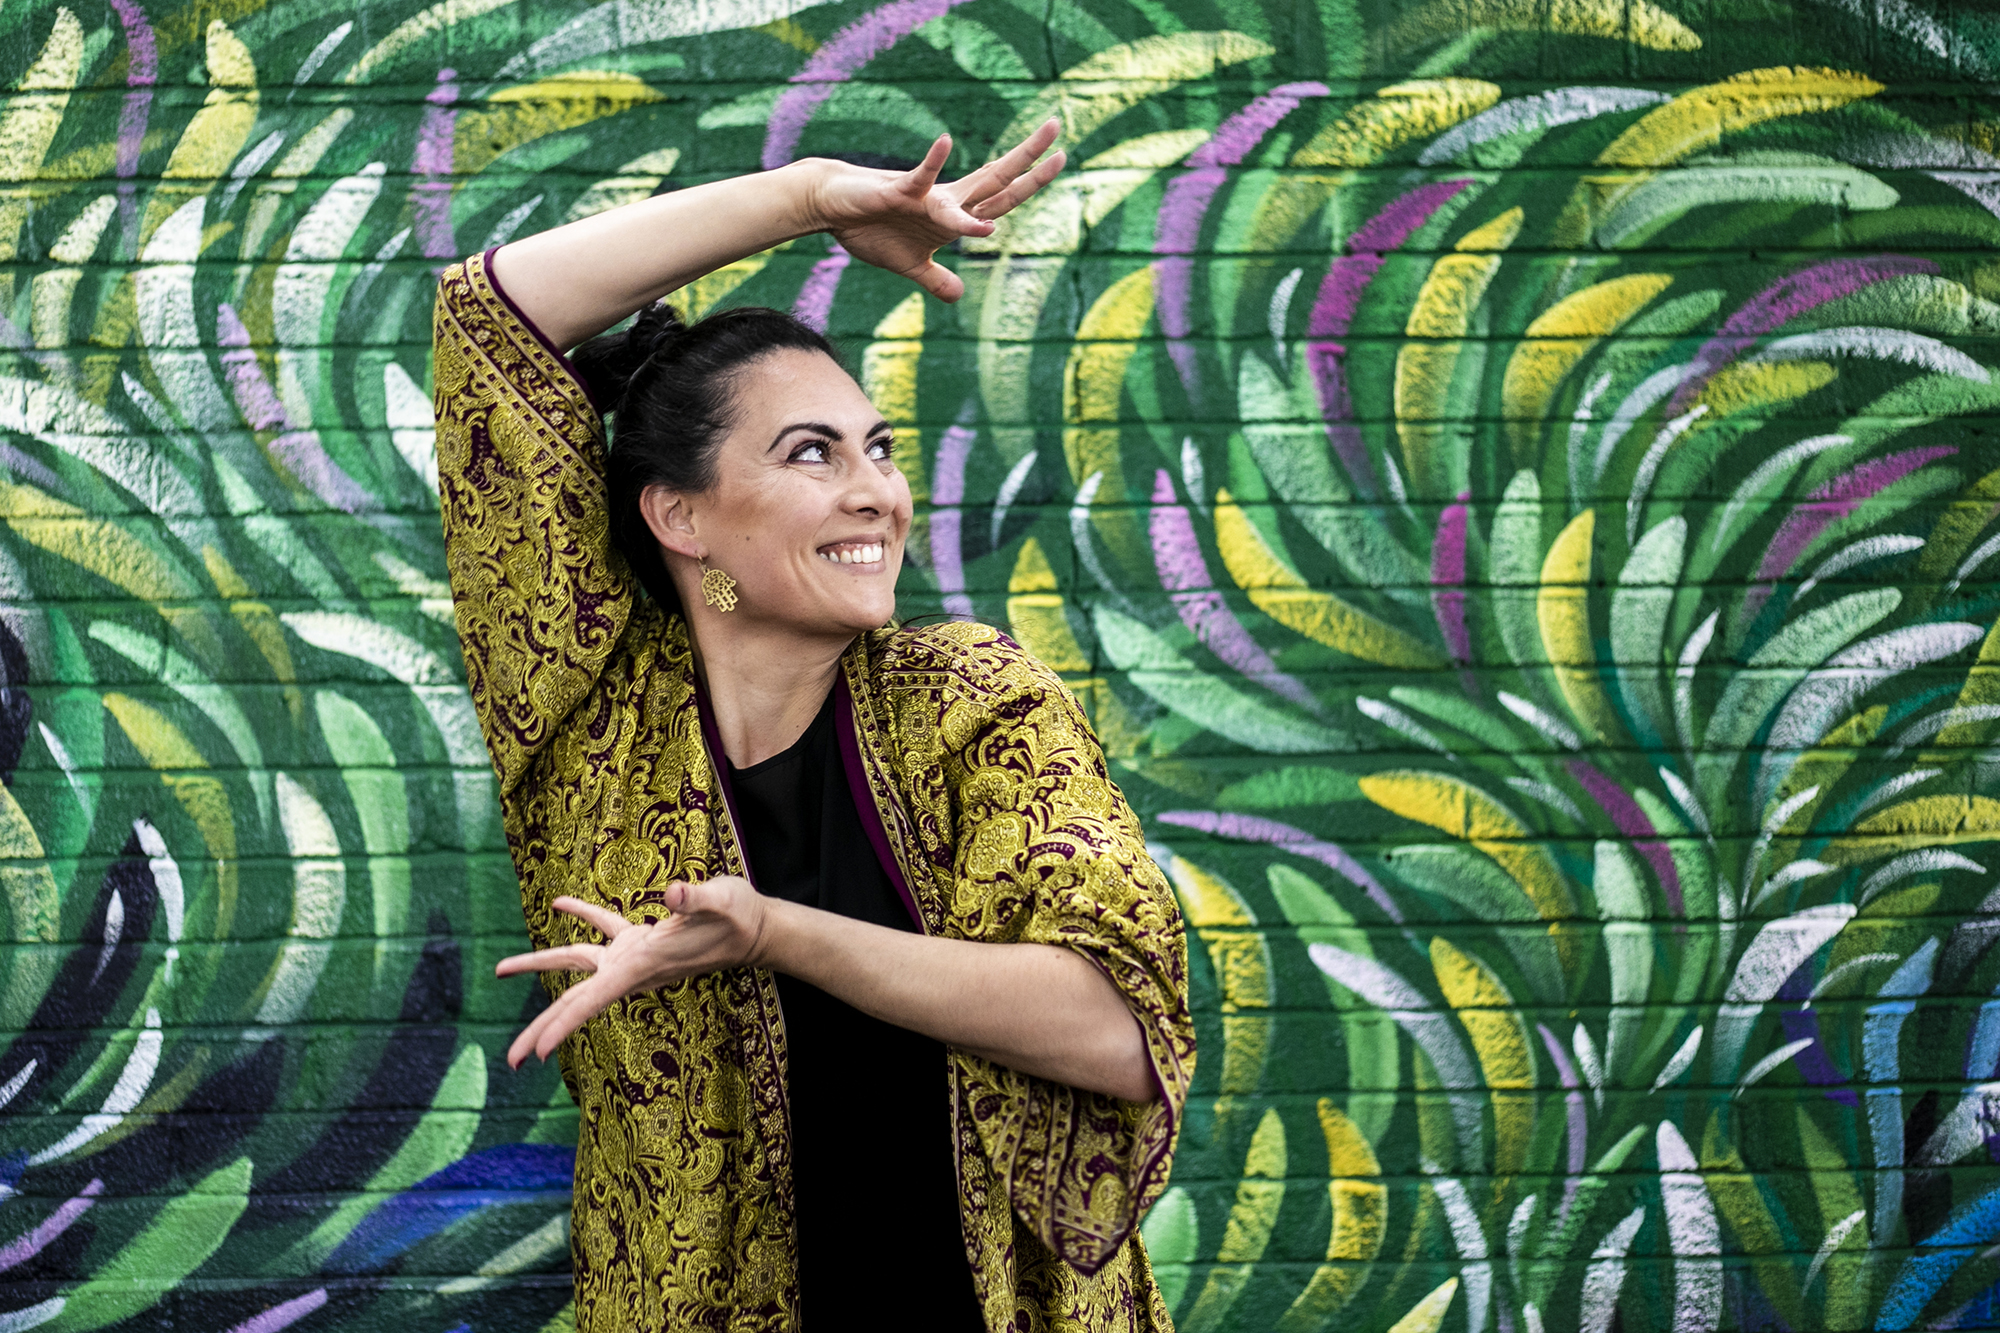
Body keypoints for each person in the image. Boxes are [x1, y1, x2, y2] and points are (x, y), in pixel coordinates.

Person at [430, 120, 1194, 1330]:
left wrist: (771, 931)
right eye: (809, 454)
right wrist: (805, 197)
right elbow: (487, 318)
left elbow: (1115, 1031)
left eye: (878, 450)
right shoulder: (590, 723)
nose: (874, 493)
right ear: (681, 517)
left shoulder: (968, 700)